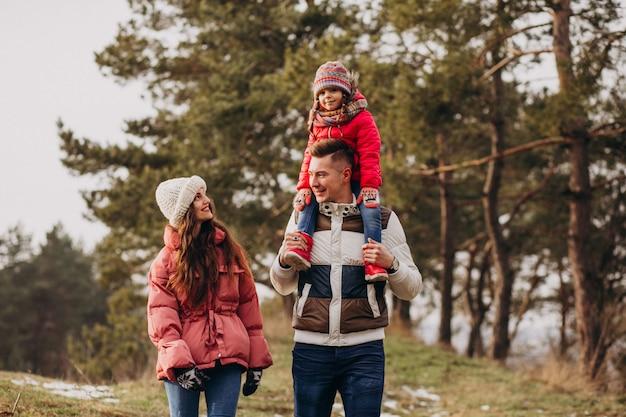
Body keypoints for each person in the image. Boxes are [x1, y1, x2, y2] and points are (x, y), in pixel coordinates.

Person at [270, 140, 422, 417]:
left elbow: (411, 288)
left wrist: (391, 264)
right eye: (311, 174)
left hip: (365, 351)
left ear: (346, 174)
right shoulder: (301, 217)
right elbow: (282, 285)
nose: (312, 182)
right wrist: (282, 259)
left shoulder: (384, 221)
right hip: (310, 349)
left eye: (321, 174)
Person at [148, 175, 272, 417]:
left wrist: (256, 359)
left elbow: (248, 306)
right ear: (183, 210)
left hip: (228, 358)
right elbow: (161, 318)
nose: (206, 201)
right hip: (183, 361)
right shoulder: (164, 262)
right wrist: (179, 365)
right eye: (197, 197)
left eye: (204, 194)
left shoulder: (229, 250)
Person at [283, 61, 388, 281]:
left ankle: (372, 261)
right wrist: (304, 186)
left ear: (345, 92)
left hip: (359, 178)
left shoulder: (361, 118)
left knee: (371, 212)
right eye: (321, 93)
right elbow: (309, 156)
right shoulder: (318, 121)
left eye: (332, 90)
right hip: (326, 181)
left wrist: (369, 184)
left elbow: (370, 152)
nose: (327, 97)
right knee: (306, 205)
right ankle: (302, 246)